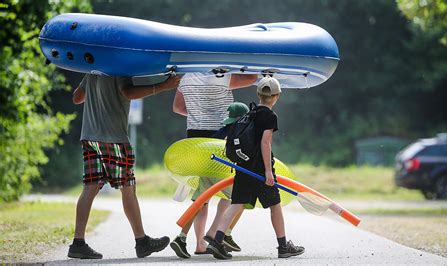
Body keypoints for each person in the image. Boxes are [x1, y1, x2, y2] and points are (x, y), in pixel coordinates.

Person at [68, 74, 181, 259]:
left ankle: (78, 243)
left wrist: (100, 94)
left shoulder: (91, 70)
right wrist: (163, 86)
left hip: (89, 136)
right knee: (128, 188)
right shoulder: (118, 66)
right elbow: (128, 92)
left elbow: (77, 98)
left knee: (90, 187)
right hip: (113, 138)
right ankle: (142, 242)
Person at [206, 76, 305, 260]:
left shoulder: (248, 113)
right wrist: (268, 171)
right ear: (277, 96)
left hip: (243, 168)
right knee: (275, 206)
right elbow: (265, 143)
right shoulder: (270, 116)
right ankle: (283, 247)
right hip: (259, 170)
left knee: (236, 204)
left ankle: (216, 241)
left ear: (258, 93)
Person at [170, 72, 256, 258]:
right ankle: (217, 234)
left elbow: (177, 107)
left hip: (194, 139)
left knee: (204, 195)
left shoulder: (185, 77)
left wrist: (198, 111)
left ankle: (200, 242)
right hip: (218, 139)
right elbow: (252, 78)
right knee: (233, 192)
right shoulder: (222, 77)